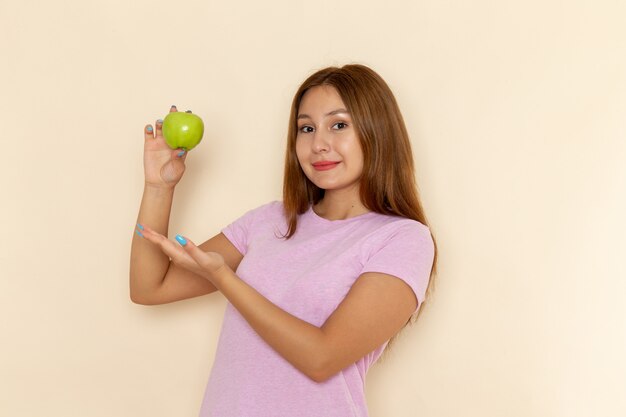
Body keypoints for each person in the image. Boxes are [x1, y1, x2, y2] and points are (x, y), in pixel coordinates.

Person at [129, 63, 438, 417]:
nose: (318, 144)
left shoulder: (402, 239)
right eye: (306, 128)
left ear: (378, 131)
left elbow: (321, 358)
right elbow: (150, 287)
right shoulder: (270, 220)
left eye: (339, 125)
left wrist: (224, 278)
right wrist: (158, 187)